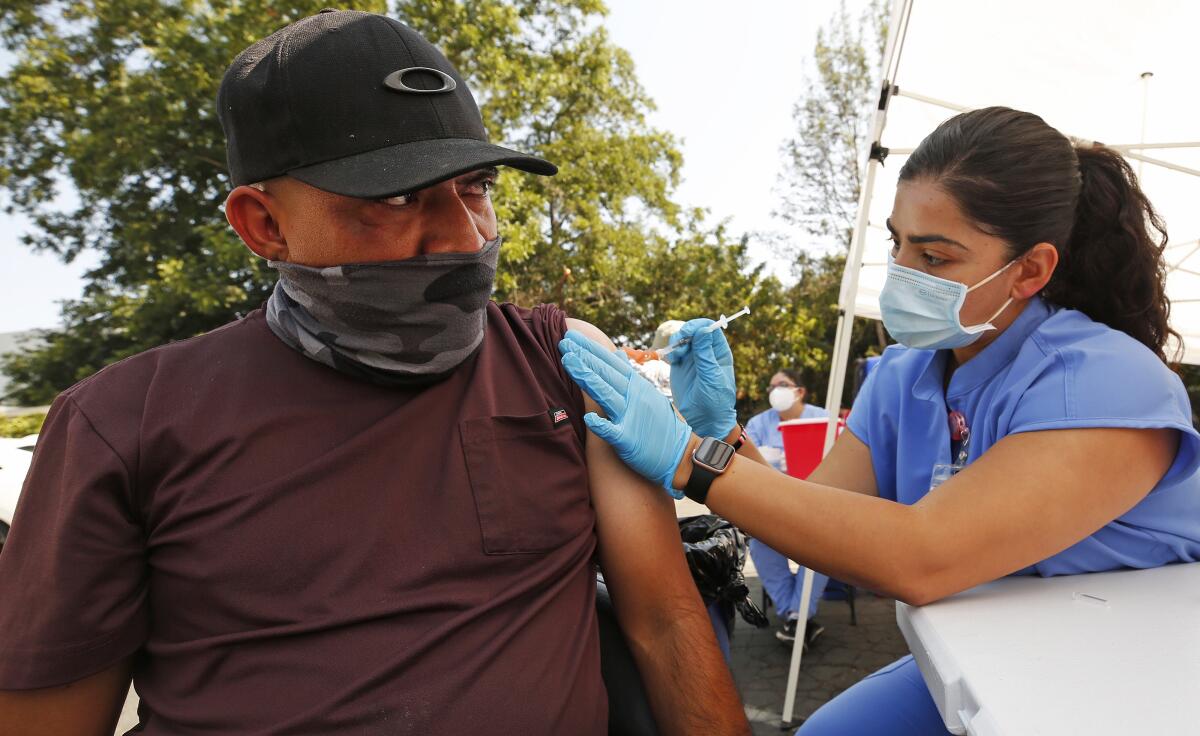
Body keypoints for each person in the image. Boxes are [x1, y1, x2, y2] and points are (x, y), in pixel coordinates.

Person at [0, 11, 748, 736]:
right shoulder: (123, 426)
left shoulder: (560, 364)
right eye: (395, 197)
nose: (465, 235)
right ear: (264, 223)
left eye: (476, 185)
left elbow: (666, 624)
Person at [557, 106, 1200, 735]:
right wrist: (724, 435)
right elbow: (811, 519)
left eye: (935, 258)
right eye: (897, 243)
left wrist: (689, 460)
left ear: (1030, 270)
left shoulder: (1106, 381)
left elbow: (921, 557)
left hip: (1138, 676)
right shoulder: (907, 374)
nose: (901, 274)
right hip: (979, 660)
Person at [744, 369, 830, 646]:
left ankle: (796, 617)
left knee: (822, 549)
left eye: (782, 385)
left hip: (815, 506)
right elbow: (749, 462)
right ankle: (798, 617)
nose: (775, 391)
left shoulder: (822, 418)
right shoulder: (758, 424)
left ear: (799, 391)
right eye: (771, 387)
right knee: (760, 545)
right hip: (774, 506)